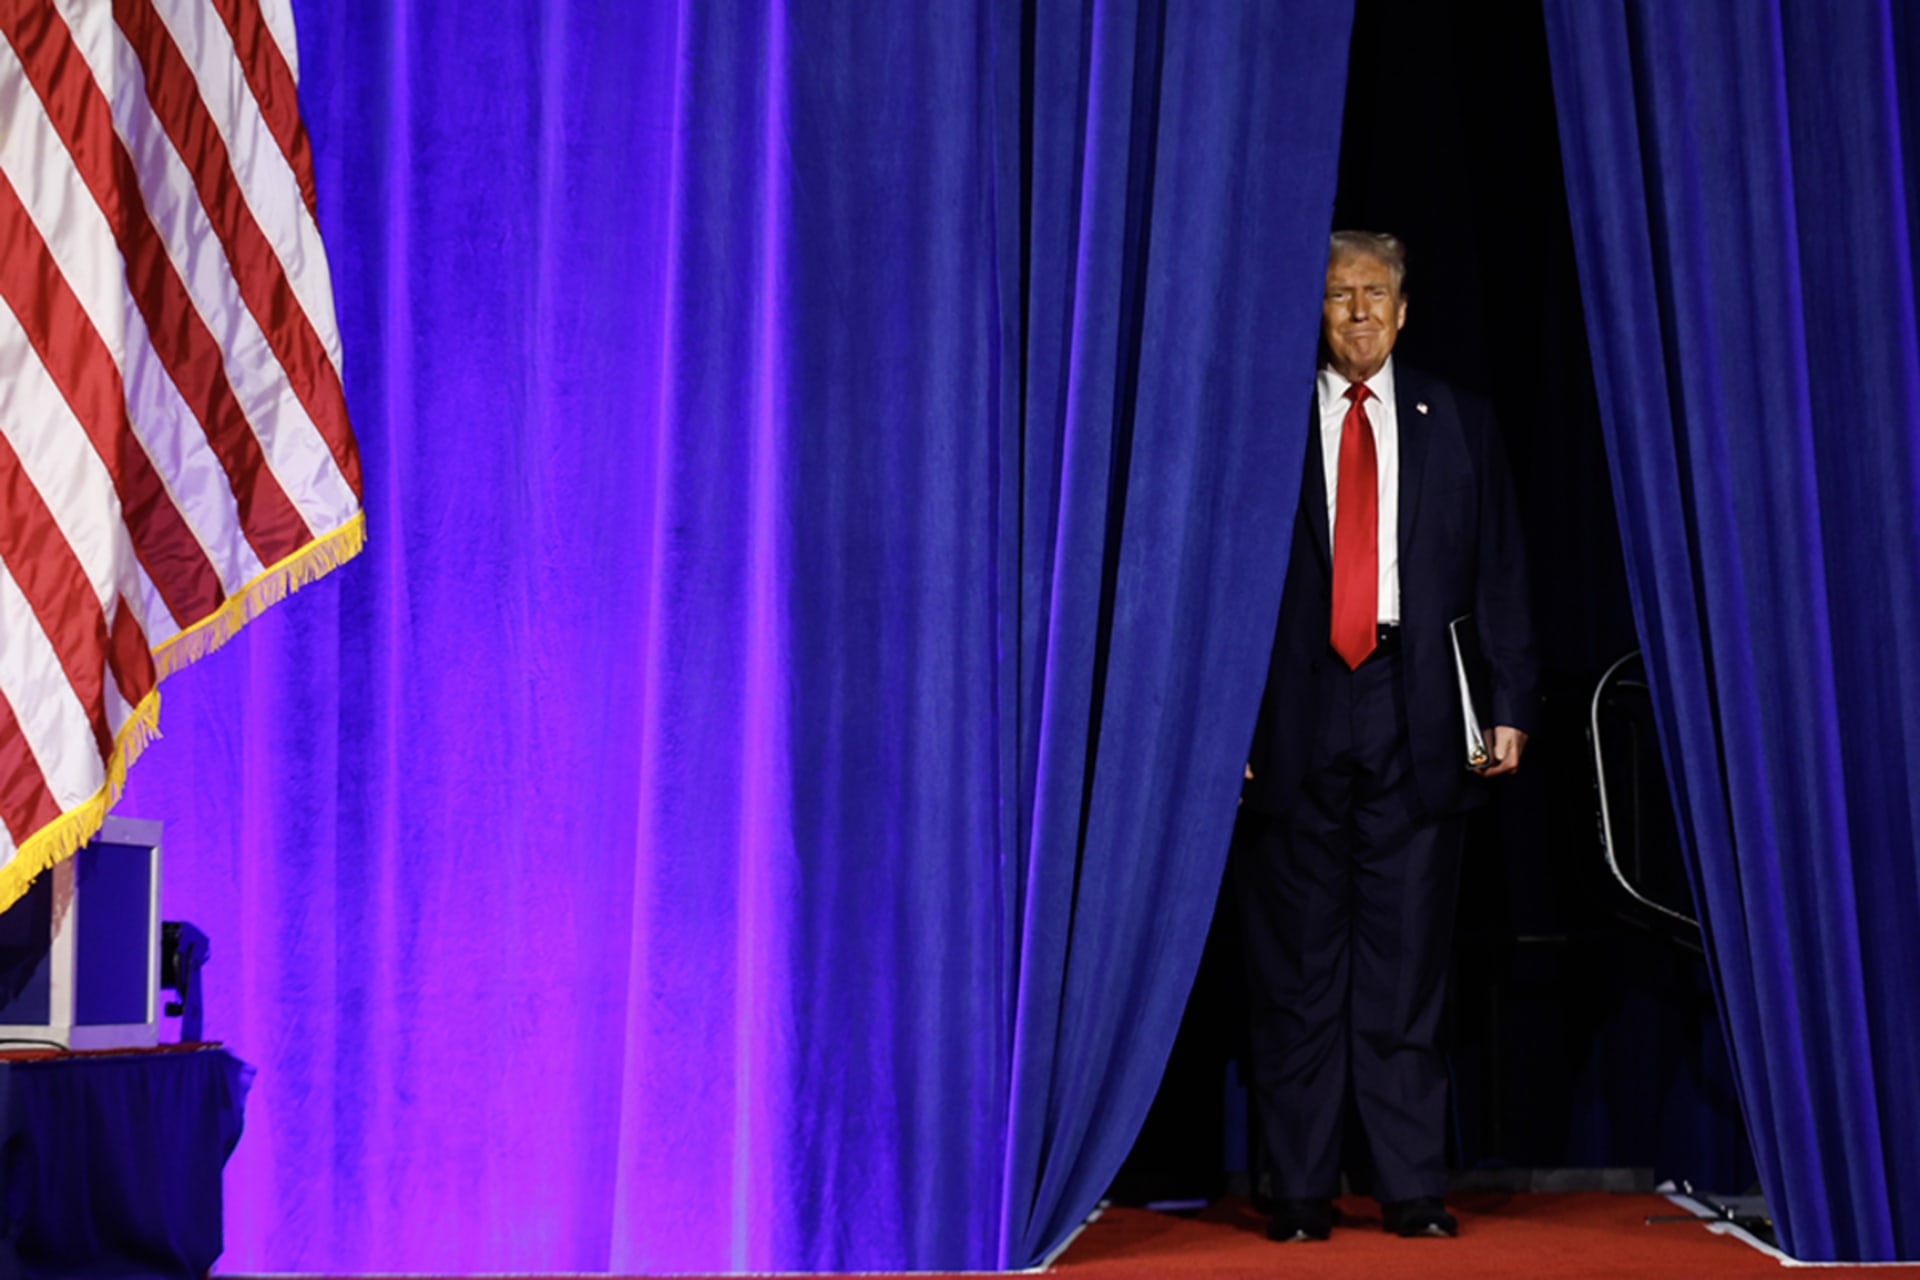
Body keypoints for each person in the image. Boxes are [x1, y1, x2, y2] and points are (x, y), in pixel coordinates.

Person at [1237, 230, 1538, 1242]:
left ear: (1405, 311)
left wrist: (1511, 702)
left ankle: (1410, 1183)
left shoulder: (1456, 419)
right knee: (1299, 964)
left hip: (1415, 703)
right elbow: (1226, 591)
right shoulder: (1266, 425)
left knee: (1407, 962)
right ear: (1313, 313)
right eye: (1336, 296)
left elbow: (1498, 570)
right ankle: (1298, 1186)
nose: (1358, 311)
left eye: (1375, 294)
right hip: (1299, 704)